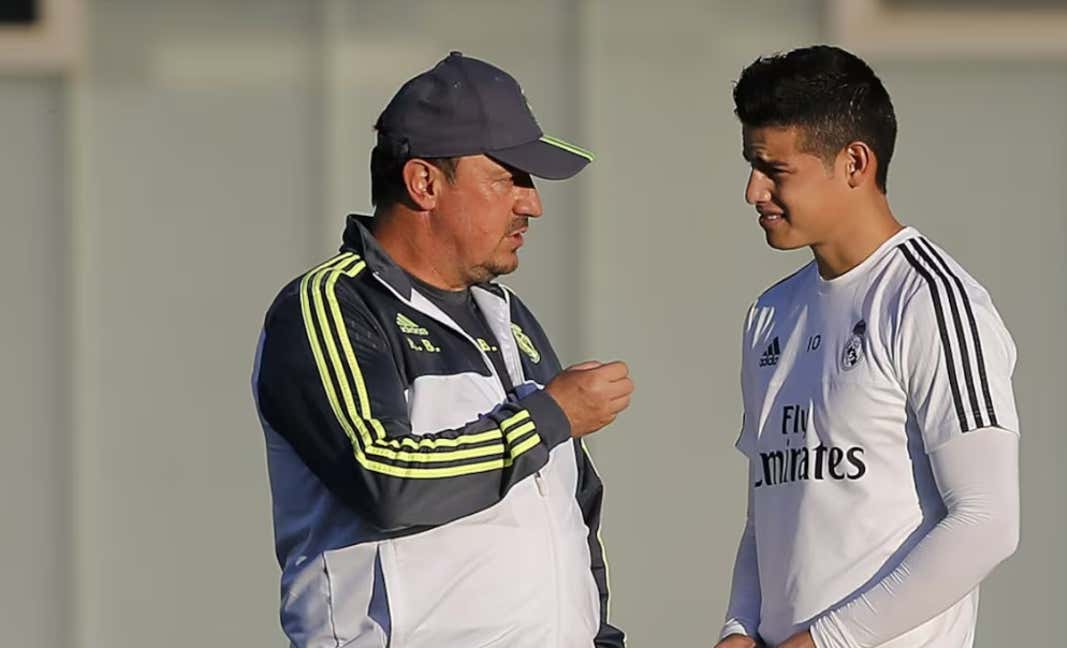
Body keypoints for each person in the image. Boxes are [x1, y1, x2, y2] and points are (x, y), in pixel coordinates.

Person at [252, 51, 631, 648]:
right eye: (510, 177)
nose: (531, 203)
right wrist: (549, 416)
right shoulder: (332, 305)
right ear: (425, 183)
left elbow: (573, 511)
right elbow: (383, 477)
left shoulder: (509, 316)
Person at [716, 46, 1021, 648]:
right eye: (752, 166)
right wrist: (739, 627)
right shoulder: (769, 314)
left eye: (774, 169)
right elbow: (770, 515)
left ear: (855, 163)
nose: (753, 191)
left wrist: (830, 641)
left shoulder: (931, 301)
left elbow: (988, 523)